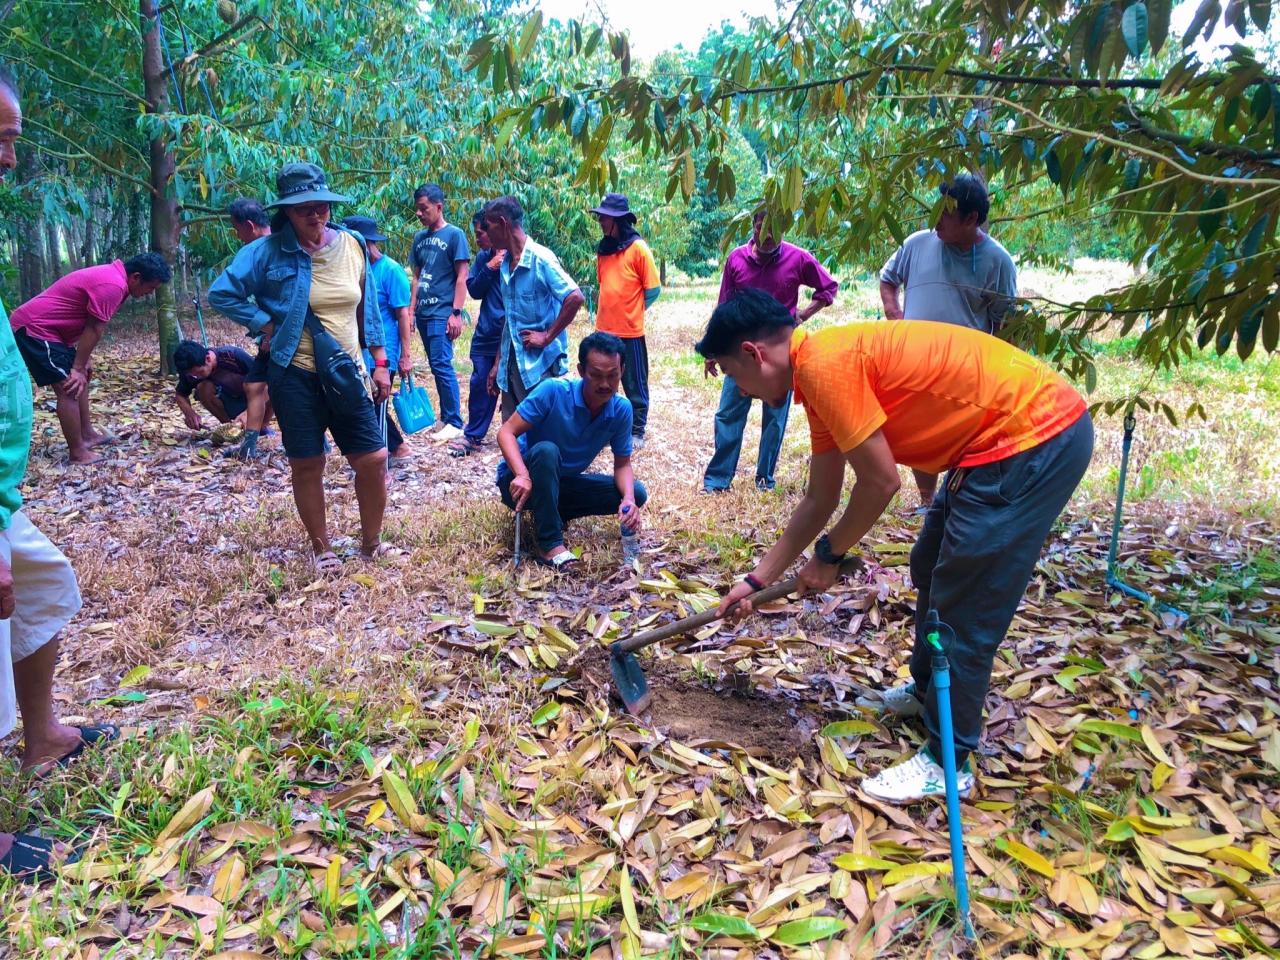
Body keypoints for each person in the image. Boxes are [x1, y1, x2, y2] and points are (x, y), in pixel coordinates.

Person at [700, 289, 1092, 805]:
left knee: (964, 601)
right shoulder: (817, 370)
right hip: (996, 444)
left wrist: (830, 556)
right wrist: (757, 581)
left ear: (754, 353)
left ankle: (949, 761)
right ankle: (929, 693)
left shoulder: (825, 367)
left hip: (1031, 435)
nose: (741, 389)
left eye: (732, 374)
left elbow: (882, 483)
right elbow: (821, 497)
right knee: (929, 562)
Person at [1, 60, 117, 884]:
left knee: (44, 585)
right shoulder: (108, 282)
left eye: (13, 141)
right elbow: (84, 343)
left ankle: (41, 738)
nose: (10, 159)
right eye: (0, 139)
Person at [209, 162, 396, 573]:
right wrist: (263, 323)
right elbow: (222, 293)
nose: (315, 214)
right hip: (293, 371)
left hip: (347, 370)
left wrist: (381, 363)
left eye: (321, 206)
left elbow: (370, 309)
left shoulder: (353, 245)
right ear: (287, 212)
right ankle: (321, 548)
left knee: (373, 457)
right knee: (307, 461)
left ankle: (371, 542)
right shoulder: (265, 251)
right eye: (303, 208)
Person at [879, 174, 1018, 507]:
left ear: (971, 219)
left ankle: (952, 502)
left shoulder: (998, 261)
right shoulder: (916, 243)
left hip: (965, 373)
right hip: (916, 366)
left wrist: (995, 372)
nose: (935, 220)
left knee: (961, 437)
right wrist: (896, 318)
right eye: (936, 210)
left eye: (946, 214)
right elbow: (888, 280)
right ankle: (927, 501)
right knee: (920, 433)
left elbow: (1006, 324)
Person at [703, 210, 838, 493]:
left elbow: (828, 287)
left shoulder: (798, 258)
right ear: (752, 227)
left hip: (781, 354)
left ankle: (765, 479)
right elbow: (724, 304)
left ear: (784, 230)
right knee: (728, 413)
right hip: (740, 353)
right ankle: (717, 481)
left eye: (774, 230)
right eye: (762, 228)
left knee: (775, 417)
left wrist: (802, 315)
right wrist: (714, 350)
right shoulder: (736, 259)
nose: (767, 236)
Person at [497, 332, 646, 570]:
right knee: (547, 451)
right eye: (596, 375)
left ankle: (555, 511)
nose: (605, 384)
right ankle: (549, 546)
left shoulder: (621, 410)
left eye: (613, 375)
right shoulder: (553, 391)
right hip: (520, 484)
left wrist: (628, 500)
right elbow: (506, 432)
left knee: (636, 491)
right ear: (581, 370)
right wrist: (522, 474)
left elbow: (622, 465)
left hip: (563, 484)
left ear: (622, 371)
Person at [9, 252, 170, 464]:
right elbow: (95, 328)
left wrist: (82, 363)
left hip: (54, 332)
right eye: (151, 288)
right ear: (136, 277)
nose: (150, 293)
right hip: (35, 329)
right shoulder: (112, 285)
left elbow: (84, 321)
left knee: (81, 378)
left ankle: (87, 435)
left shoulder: (115, 280)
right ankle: (77, 453)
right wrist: (76, 367)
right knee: (69, 387)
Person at [480, 195, 585, 421]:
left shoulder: (541, 259)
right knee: (511, 432)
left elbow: (574, 297)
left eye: (488, 226)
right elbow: (510, 320)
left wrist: (547, 336)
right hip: (512, 365)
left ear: (503, 223)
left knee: (544, 433)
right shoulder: (505, 265)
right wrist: (497, 364)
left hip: (541, 367)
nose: (486, 234)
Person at [591, 193, 661, 449]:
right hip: (604, 329)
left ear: (617, 220)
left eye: (604, 217)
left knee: (634, 383)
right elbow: (604, 285)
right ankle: (606, 427)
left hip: (630, 331)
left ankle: (637, 430)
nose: (600, 221)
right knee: (601, 380)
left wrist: (633, 311)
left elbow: (653, 290)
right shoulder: (603, 249)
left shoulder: (638, 248)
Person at [342, 215, 413, 465]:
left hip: (385, 349)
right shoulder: (352, 269)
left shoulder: (390, 270)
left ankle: (386, 456)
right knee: (363, 402)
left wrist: (405, 355)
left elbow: (403, 314)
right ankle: (395, 448)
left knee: (378, 402)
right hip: (357, 349)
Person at [409, 184, 468, 442]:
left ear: (439, 206)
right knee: (435, 365)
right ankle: (446, 417)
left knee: (442, 364)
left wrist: (456, 312)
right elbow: (416, 278)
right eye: (418, 210)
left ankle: (454, 421)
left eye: (424, 208)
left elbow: (462, 275)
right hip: (423, 311)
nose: (420, 214)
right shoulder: (419, 238)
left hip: (442, 311)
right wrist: (410, 312)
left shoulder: (455, 235)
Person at [450, 212, 507, 458]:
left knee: (515, 386)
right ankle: (473, 435)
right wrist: (490, 267)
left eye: (480, 234)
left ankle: (519, 437)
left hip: (512, 333)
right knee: (479, 382)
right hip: (486, 331)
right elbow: (473, 289)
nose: (477, 240)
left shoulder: (518, 256)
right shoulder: (485, 258)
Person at [226, 198, 274, 459]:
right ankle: (249, 445)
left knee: (280, 389)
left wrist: (268, 328)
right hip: (273, 334)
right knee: (255, 386)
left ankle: (316, 442)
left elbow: (224, 295)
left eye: (237, 229)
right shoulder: (269, 247)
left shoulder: (260, 250)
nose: (237, 236)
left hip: (281, 335)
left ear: (249, 225)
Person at [171, 340, 253, 428]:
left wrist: (249, 412)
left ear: (208, 359)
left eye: (200, 372)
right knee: (203, 388)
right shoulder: (191, 373)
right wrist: (189, 413)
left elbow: (266, 382)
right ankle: (230, 428)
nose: (197, 377)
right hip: (231, 405)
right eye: (193, 375)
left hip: (256, 402)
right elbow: (180, 395)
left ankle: (261, 425)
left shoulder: (233, 355)